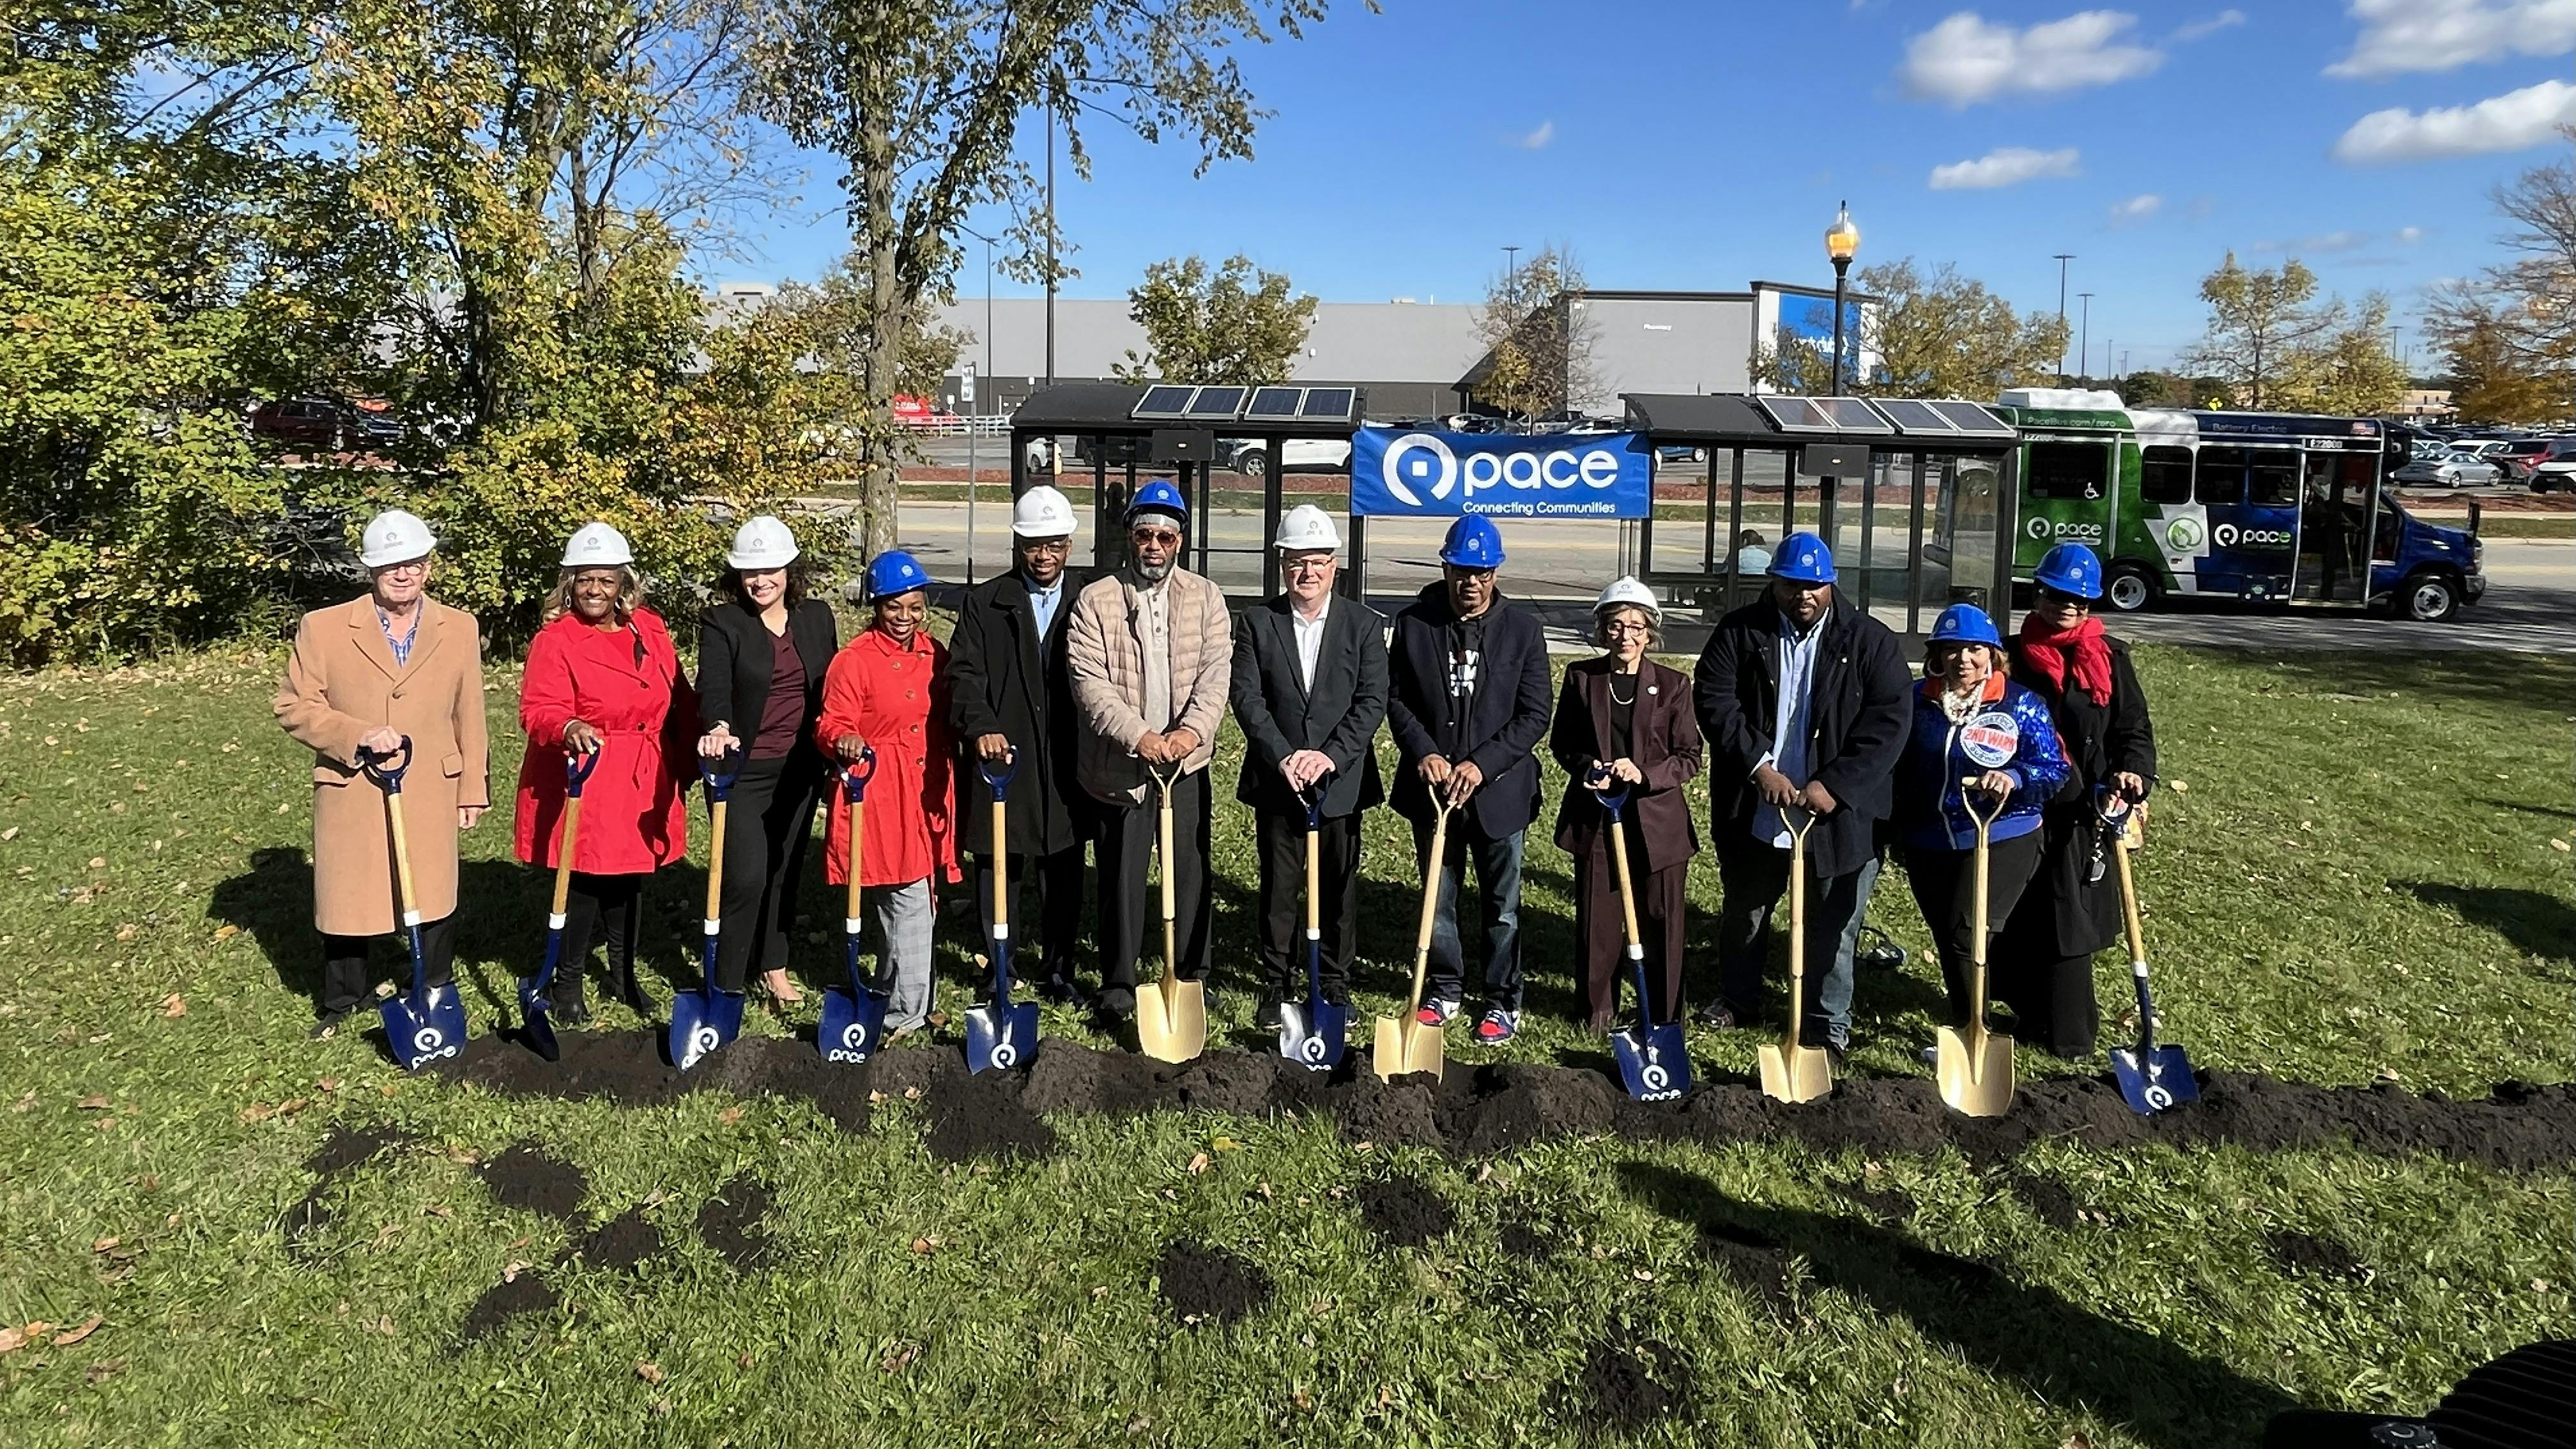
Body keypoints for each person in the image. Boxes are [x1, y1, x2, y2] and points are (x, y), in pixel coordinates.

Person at [1689, 532, 1910, 1065]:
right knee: (1746, 912)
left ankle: (1826, 1026)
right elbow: (1715, 699)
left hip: (1841, 815)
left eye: (1814, 586)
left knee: (1834, 924)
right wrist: (1758, 765)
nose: (1803, 595)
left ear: (1831, 584)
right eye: (1792, 585)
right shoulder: (1740, 633)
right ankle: (1739, 1000)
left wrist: (1835, 785)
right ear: (1776, 583)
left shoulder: (1869, 641)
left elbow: (1890, 722)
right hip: (1758, 807)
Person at [273, 509, 490, 1038]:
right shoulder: (323, 628)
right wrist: (356, 735)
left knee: (434, 888)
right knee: (352, 891)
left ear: (428, 567)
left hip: (431, 781)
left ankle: (432, 985)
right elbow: (294, 706)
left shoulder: (458, 627)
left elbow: (471, 712)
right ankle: (346, 996)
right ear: (370, 569)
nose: (403, 574)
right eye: (391, 565)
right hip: (354, 783)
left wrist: (473, 787)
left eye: (414, 563)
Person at [511, 523, 697, 1025]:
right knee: (587, 880)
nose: (595, 590)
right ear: (569, 583)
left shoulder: (651, 629)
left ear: (624, 584)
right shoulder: (556, 640)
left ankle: (623, 974)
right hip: (591, 771)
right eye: (585, 580)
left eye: (606, 580)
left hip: (644, 770)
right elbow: (537, 708)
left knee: (631, 879)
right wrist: (568, 724)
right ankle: (567, 982)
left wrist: (696, 747)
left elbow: (678, 694)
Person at [1066, 479, 1232, 1020]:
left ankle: (1188, 973)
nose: (1155, 546)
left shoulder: (1206, 597)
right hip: (1120, 765)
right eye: (1145, 535)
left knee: (1189, 870)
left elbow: (1215, 676)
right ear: (1129, 538)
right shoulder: (1096, 599)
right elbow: (1089, 682)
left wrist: (1190, 735)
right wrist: (1140, 736)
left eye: (1165, 536)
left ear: (1179, 541)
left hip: (1185, 764)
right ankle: (1119, 980)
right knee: (1121, 875)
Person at [1386, 515, 1553, 1043]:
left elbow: (1534, 713)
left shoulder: (1523, 631)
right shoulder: (1415, 624)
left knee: (1502, 907)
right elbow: (1395, 699)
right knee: (1439, 898)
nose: (1471, 583)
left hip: (1498, 793)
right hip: (1434, 793)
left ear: (1496, 571)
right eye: (1461, 571)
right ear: (1446, 567)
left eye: (1481, 572)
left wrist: (1483, 764)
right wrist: (1425, 752)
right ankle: (1446, 986)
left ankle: (1503, 997)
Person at [1993, 544, 2158, 1057]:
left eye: (2080, 601)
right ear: (2038, 594)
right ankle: (2026, 1010)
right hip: (2021, 799)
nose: (2067, 607)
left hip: (2087, 810)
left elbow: (2132, 728)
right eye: (2058, 596)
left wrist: (2135, 772)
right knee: (2017, 911)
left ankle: (2070, 1030)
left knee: (2069, 914)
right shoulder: (2010, 655)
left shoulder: (2111, 657)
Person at [1229, 505, 1389, 1029]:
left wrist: (1329, 756)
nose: (1308, 573)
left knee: (1338, 888)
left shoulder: (1364, 626)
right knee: (1279, 888)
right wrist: (1284, 756)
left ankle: (1335, 982)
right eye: (1298, 562)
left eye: (1318, 562)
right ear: (1282, 563)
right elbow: (1248, 697)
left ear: (1334, 565)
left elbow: (1371, 701)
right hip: (1280, 783)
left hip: (1338, 782)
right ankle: (1277, 984)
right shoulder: (1257, 622)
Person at [1892, 603, 2070, 1034]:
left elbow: (2055, 768)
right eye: (1951, 649)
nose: (1963, 660)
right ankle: (1968, 1017)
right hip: (1929, 839)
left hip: (2003, 833)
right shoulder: (1916, 700)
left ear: (1993, 653)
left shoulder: (2021, 704)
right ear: (1937, 654)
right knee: (1947, 933)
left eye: (1975, 649)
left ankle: (1974, 1027)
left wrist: (2014, 776)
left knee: (1966, 932)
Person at [947, 485, 1093, 1004]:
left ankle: (1058, 967)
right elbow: (963, 675)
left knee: (1063, 865)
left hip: (1066, 757)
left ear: (1069, 546)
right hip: (1002, 757)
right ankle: (998, 964)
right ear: (1018, 544)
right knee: (998, 864)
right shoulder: (986, 604)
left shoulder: (1089, 600)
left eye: (1054, 544)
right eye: (1034, 545)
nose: (1044, 555)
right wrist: (982, 724)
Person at [693, 515, 839, 1006]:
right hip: (741, 771)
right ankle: (728, 980)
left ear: (789, 570)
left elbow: (833, 688)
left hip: (799, 769)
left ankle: (773, 967)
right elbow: (712, 684)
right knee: (746, 875)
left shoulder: (816, 617)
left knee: (783, 869)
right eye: (750, 572)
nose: (760, 581)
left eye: (770, 570)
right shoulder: (724, 623)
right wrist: (717, 725)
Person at [1549, 578, 1703, 1033]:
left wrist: (1645, 773)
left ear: (1650, 632)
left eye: (1636, 627)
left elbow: (1690, 757)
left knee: (1663, 919)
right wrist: (1587, 767)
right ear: (1602, 630)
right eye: (1616, 626)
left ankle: (1664, 1012)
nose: (1626, 636)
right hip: (1598, 816)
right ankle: (1597, 1012)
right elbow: (1563, 744)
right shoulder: (1582, 677)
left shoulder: (1674, 685)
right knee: (1599, 919)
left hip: (1658, 823)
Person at [817, 550, 958, 1043]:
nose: (905, 619)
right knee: (904, 895)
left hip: (927, 785)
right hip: (880, 789)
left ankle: (903, 991)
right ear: (876, 606)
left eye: (915, 607)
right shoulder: (853, 661)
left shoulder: (935, 654)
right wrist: (844, 740)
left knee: (916, 895)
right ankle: (906, 1008)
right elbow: (832, 721)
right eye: (894, 608)